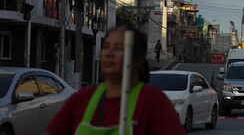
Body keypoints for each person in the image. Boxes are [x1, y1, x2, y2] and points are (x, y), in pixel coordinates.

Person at [46, 26, 186, 135]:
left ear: (137, 59)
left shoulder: (153, 101)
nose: (109, 54)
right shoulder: (82, 99)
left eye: (119, 48)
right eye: (106, 47)